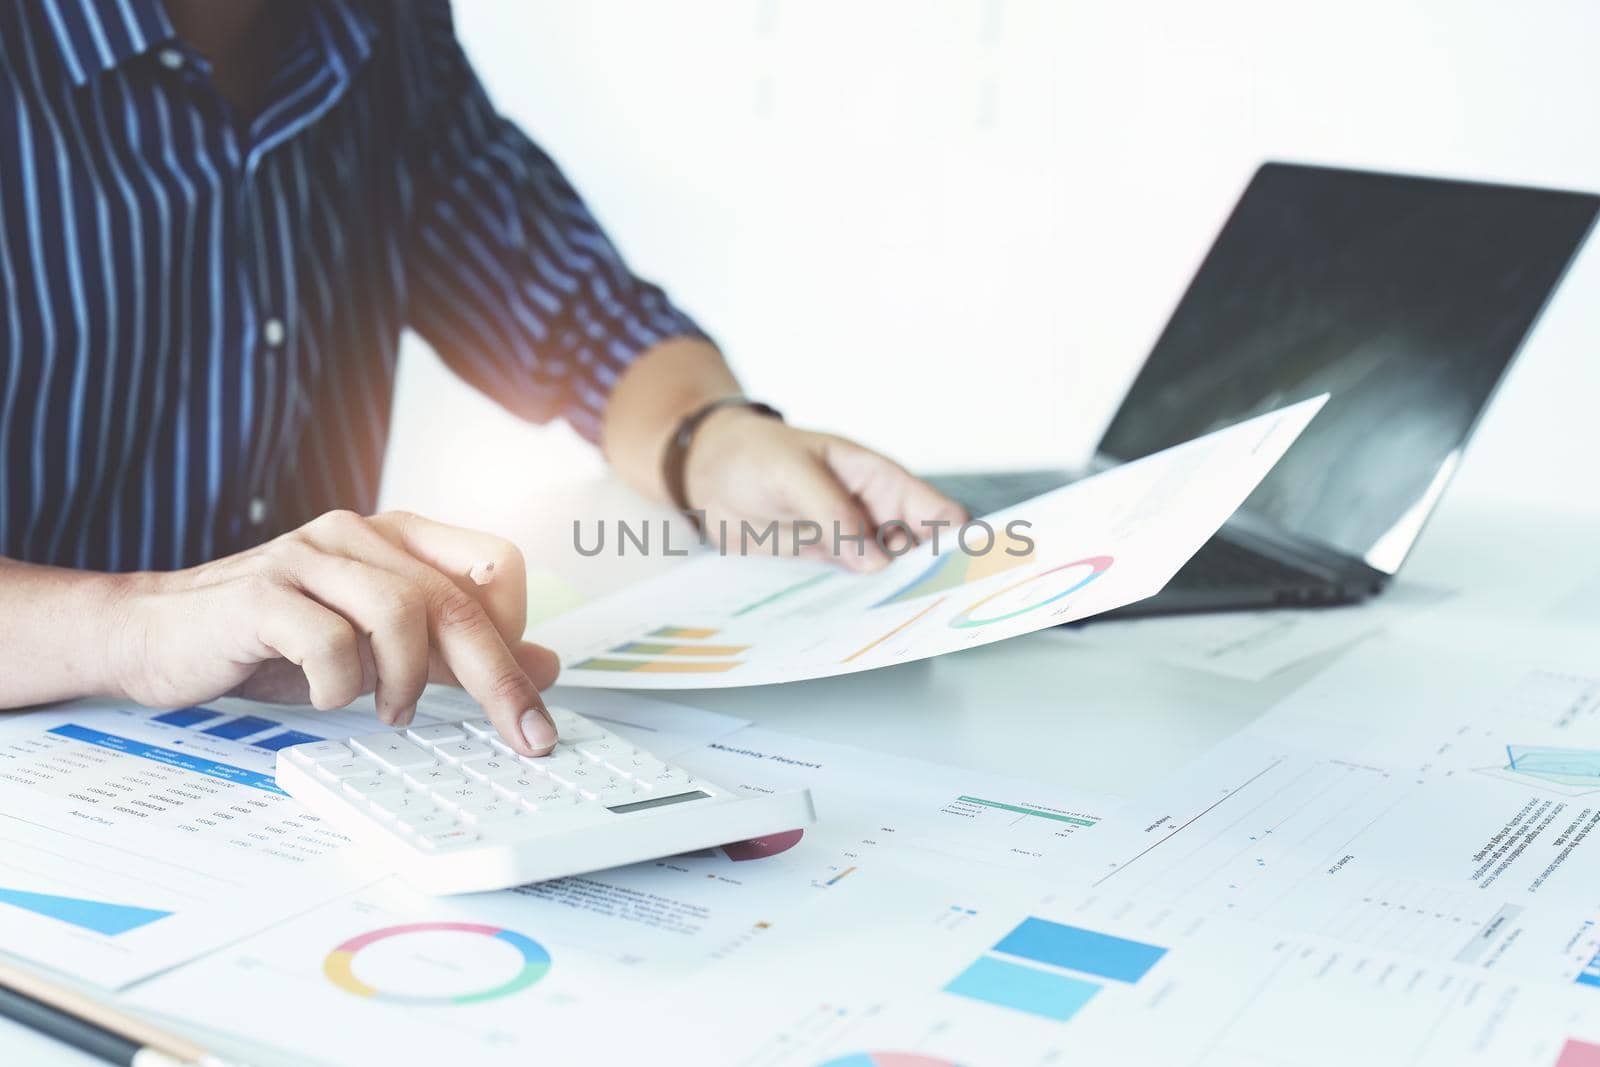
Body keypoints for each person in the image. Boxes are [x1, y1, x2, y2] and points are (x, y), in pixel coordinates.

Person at [0, 0, 964, 756]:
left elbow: (581, 318)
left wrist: (708, 441)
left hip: (312, 760)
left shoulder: (379, 23)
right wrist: (135, 627)